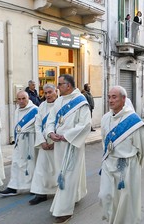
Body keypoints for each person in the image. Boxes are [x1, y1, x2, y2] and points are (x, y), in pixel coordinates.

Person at [98, 86, 144, 224]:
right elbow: (104, 141)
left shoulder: (134, 122)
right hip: (109, 164)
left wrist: (135, 167)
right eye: (109, 97)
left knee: (125, 201)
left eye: (114, 97)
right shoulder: (105, 118)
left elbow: (143, 147)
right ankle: (111, 220)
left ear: (123, 99)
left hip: (127, 167)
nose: (110, 100)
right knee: (106, 196)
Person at [46, 74, 91, 224]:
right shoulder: (58, 101)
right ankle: (76, 195)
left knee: (68, 175)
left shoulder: (81, 102)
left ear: (69, 86)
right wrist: (50, 132)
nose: (57, 87)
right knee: (62, 173)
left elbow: (85, 124)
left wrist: (67, 136)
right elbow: (51, 120)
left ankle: (64, 211)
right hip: (59, 144)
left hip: (72, 144)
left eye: (60, 84)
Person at [0, 91, 38, 196]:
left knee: (30, 165)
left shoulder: (34, 110)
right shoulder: (17, 110)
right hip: (19, 142)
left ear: (28, 98)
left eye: (23, 98)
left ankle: (34, 187)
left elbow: (39, 127)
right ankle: (13, 187)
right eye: (19, 99)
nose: (21, 101)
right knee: (16, 164)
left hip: (30, 142)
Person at [29, 84, 58, 205]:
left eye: (50, 92)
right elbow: (38, 125)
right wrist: (42, 141)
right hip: (44, 144)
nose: (47, 95)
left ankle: (60, 192)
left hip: (57, 144)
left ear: (56, 91)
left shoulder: (61, 105)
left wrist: (55, 142)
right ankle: (40, 193)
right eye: (45, 93)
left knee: (58, 170)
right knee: (41, 169)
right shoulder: (42, 106)